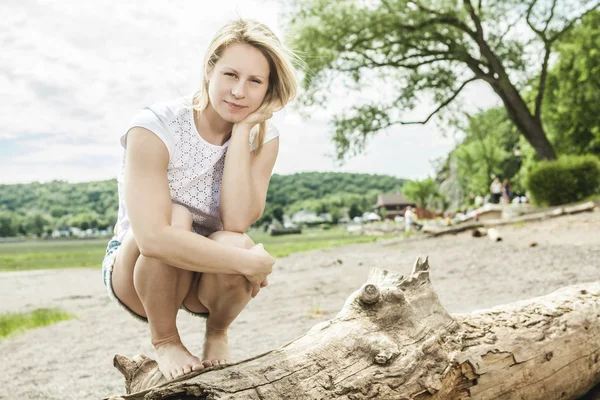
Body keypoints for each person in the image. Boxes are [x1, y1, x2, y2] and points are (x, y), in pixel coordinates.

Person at [101, 19, 300, 381]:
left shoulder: (265, 138)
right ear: (209, 69)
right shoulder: (154, 125)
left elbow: (237, 220)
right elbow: (152, 239)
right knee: (177, 217)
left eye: (255, 81)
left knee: (235, 238)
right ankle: (166, 339)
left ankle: (217, 333)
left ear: (269, 89)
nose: (239, 91)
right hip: (135, 272)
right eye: (230, 74)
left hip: (201, 282)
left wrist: (241, 134)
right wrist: (248, 263)